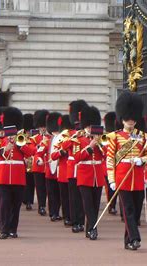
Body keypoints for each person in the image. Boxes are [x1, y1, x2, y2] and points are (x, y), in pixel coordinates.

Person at [107, 92, 147, 250]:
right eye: (127, 118)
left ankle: (128, 241)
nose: (130, 121)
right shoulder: (115, 137)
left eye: (132, 118)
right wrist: (111, 180)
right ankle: (135, 238)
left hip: (137, 177)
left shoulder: (143, 137)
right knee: (128, 210)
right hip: (122, 177)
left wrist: (142, 160)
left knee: (136, 211)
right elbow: (110, 159)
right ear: (122, 119)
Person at [0, 107, 35, 239]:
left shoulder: (22, 140)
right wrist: (4, 148)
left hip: (18, 177)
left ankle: (13, 229)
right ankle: (4, 228)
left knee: (16, 204)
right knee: (5, 202)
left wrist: (20, 145)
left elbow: (31, 152)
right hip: (3, 177)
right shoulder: (0, 141)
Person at [75, 105, 105, 241]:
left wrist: (99, 144)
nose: (90, 129)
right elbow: (76, 157)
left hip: (97, 176)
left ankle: (89, 229)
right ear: (84, 126)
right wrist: (90, 146)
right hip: (84, 176)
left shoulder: (101, 140)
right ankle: (93, 229)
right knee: (88, 204)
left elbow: (106, 155)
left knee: (95, 205)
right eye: (88, 126)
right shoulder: (79, 139)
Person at [61, 100, 88, 233]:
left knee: (83, 197)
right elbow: (63, 147)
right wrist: (74, 138)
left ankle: (81, 221)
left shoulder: (88, 133)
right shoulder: (68, 133)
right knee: (73, 197)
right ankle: (74, 220)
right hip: (72, 168)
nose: (78, 125)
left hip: (84, 169)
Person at [36, 112, 62, 222]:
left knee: (59, 194)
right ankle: (53, 213)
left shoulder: (62, 139)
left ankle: (57, 211)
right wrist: (39, 160)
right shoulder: (47, 141)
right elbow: (39, 153)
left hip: (59, 171)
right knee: (51, 193)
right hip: (49, 171)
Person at [50, 114, 73, 226]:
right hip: (64, 171)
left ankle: (74, 217)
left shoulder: (77, 135)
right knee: (65, 197)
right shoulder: (60, 137)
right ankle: (67, 217)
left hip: (75, 171)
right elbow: (53, 156)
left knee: (74, 197)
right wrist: (62, 151)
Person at [30, 109, 49, 216]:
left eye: (44, 126)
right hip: (38, 166)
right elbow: (31, 150)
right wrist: (39, 146)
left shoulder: (51, 138)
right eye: (41, 126)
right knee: (40, 187)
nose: (43, 128)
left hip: (48, 165)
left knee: (49, 188)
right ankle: (41, 206)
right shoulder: (34, 139)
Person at [103, 112, 118, 215]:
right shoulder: (104, 137)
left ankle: (112, 204)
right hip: (108, 164)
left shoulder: (117, 135)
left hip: (117, 164)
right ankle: (111, 205)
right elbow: (103, 150)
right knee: (109, 186)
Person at [22, 113, 36, 211]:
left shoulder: (34, 135)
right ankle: (25, 199)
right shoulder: (21, 136)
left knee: (31, 182)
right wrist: (24, 159)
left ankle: (29, 201)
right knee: (25, 182)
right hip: (24, 161)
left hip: (32, 161)